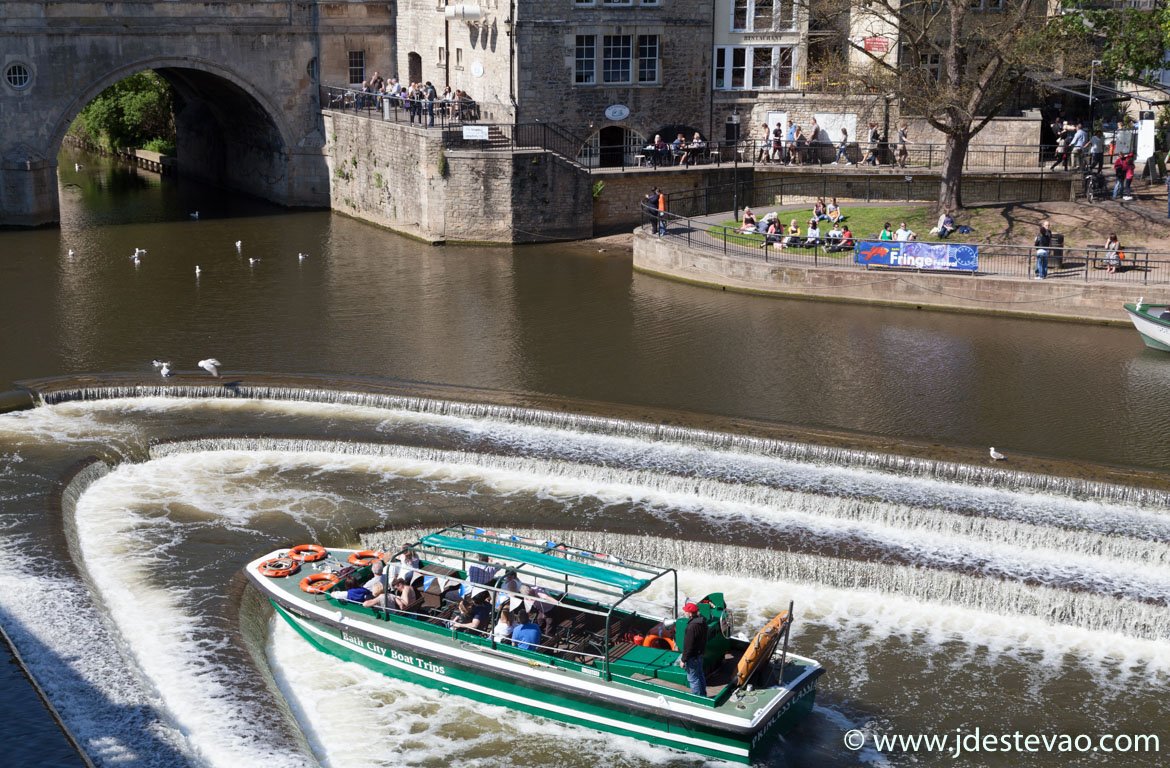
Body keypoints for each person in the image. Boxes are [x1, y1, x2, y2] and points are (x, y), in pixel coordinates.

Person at [678, 602, 707, 696]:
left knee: (693, 679)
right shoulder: (702, 622)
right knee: (700, 675)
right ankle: (703, 695)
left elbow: (688, 646)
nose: (684, 613)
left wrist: (683, 660)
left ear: (690, 614)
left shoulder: (691, 627)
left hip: (692, 657)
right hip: (699, 654)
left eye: (686, 611)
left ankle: (698, 698)